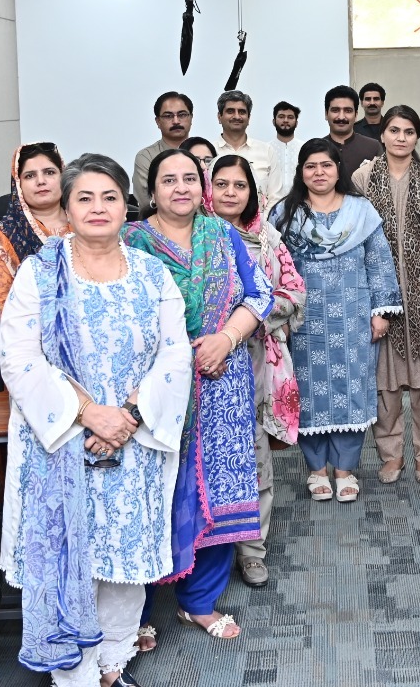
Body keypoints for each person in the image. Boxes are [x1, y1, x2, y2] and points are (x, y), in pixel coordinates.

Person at [0, 153, 192, 687]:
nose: (98, 207)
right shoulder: (39, 273)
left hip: (134, 439)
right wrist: (89, 415)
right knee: (72, 562)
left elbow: (175, 353)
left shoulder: (152, 273)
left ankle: (111, 666)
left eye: (109, 197)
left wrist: (128, 416)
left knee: (124, 562)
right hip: (61, 444)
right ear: (67, 208)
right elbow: (19, 357)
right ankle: (75, 678)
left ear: (126, 207)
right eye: (84, 198)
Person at [120, 149, 272, 642]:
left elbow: (260, 294)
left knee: (218, 489)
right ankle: (135, 611)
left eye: (190, 178)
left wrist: (226, 338)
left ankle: (199, 602)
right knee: (151, 490)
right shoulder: (130, 242)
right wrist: (181, 355)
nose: (181, 187)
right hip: (154, 386)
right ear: (152, 190)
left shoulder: (223, 234)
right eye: (169, 180)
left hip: (221, 380)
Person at [273, 139, 401, 504]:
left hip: (353, 317)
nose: (319, 172)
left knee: (351, 390)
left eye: (326, 165)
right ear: (301, 172)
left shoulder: (361, 211)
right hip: (303, 320)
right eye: (311, 166)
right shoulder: (284, 214)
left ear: (337, 169)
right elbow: (273, 267)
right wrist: (278, 316)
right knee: (307, 392)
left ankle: (345, 470)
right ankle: (316, 470)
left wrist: (381, 312)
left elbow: (379, 262)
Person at [207, 154, 305, 591]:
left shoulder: (267, 237)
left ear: (253, 192)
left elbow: (294, 290)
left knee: (254, 454)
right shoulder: (195, 235)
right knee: (207, 457)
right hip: (205, 360)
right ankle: (206, 551)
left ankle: (252, 550)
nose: (230, 193)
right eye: (222, 184)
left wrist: (252, 314)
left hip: (255, 356)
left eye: (239, 185)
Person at [351, 105, 420, 486]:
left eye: (408, 131)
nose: (401, 138)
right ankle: (391, 456)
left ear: (417, 137)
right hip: (379, 295)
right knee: (384, 380)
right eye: (394, 130)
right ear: (383, 135)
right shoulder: (363, 176)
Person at [0, 142, 69, 309]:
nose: (41, 181)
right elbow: (1, 309)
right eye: (30, 176)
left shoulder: (87, 223)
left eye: (49, 172)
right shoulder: (1, 239)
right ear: (18, 184)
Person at [213, 90, 281, 200]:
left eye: (242, 112)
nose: (236, 116)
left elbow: (276, 197)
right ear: (219, 117)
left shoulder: (266, 151)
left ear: (249, 118)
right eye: (230, 111)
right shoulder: (208, 151)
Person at [133, 92, 193, 207]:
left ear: (191, 118)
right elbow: (147, 201)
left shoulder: (205, 153)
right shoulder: (146, 157)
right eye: (168, 116)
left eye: (182, 115)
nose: (176, 121)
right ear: (158, 122)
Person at [321, 84, 383, 180]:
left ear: (356, 115)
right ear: (326, 114)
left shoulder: (373, 147)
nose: (341, 117)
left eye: (348, 111)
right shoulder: (316, 149)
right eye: (335, 110)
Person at [272, 100, 302, 188]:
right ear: (274, 121)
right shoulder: (266, 149)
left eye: (290, 117)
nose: (285, 120)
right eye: (281, 117)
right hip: (272, 197)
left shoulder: (304, 148)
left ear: (296, 123)